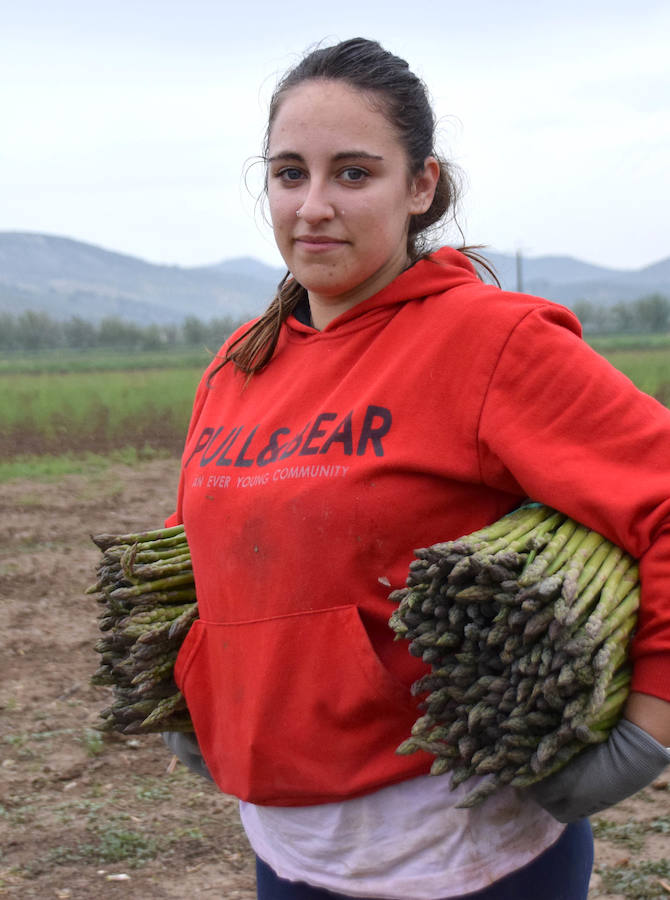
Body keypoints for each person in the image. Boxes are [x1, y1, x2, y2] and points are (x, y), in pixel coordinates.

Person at [163, 37, 670, 900]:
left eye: (353, 174)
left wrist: (650, 726)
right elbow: (208, 554)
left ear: (421, 186)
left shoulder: (489, 342)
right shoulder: (240, 364)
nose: (313, 205)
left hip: (461, 852)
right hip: (290, 848)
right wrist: (201, 682)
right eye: (290, 174)